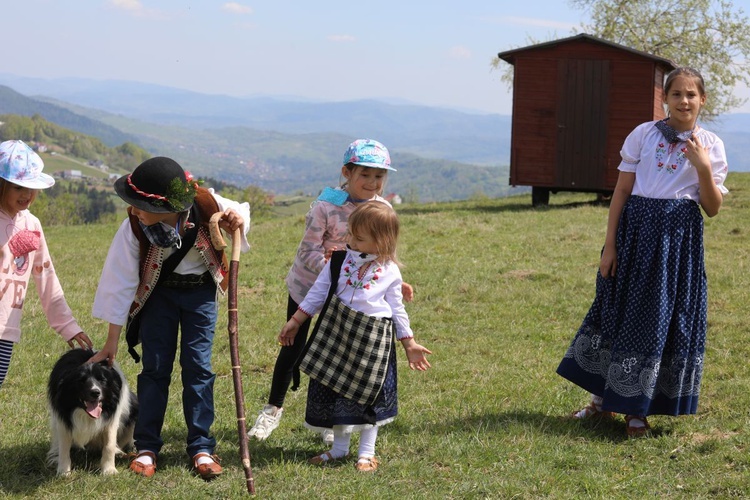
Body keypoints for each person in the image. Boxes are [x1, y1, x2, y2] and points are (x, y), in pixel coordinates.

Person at [556, 67, 729, 437]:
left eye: (691, 95)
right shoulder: (643, 135)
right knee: (617, 312)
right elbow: (621, 192)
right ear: (664, 98)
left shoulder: (711, 145)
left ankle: (637, 410)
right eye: (677, 94)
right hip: (635, 236)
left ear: (703, 100)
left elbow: (712, 208)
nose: (684, 101)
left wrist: (702, 169)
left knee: (657, 321)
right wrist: (610, 246)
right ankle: (601, 403)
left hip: (676, 247)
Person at [90, 156, 250, 479]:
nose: (134, 210)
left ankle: (202, 446)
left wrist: (235, 218)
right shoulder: (134, 226)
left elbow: (241, 210)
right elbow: (118, 283)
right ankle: (147, 446)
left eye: (140, 205)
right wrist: (111, 342)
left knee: (198, 367)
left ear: (169, 208)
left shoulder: (206, 205)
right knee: (155, 368)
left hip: (201, 294)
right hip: (158, 296)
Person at [247, 139, 414, 443]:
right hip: (308, 287)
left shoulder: (384, 208)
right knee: (293, 347)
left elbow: (384, 253)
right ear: (347, 173)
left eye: (379, 176)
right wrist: (335, 267)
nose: (372, 182)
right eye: (365, 175)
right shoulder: (325, 207)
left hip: (352, 297)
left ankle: (334, 423)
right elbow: (307, 251)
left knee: (341, 354)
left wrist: (394, 281)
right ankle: (272, 411)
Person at [279, 201, 431, 471]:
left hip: (372, 341)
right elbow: (318, 292)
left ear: (382, 242)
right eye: (350, 233)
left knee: (367, 395)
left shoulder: (390, 272)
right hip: (338, 334)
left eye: (359, 238)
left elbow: (397, 309)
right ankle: (338, 449)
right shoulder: (338, 260)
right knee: (337, 390)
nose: (351, 240)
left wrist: (409, 343)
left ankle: (366, 453)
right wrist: (295, 320)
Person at [0, 140, 92, 389]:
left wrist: (67, 326)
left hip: (6, 327)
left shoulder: (32, 225)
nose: (27, 195)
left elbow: (46, 278)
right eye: (18, 187)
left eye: (32, 187)